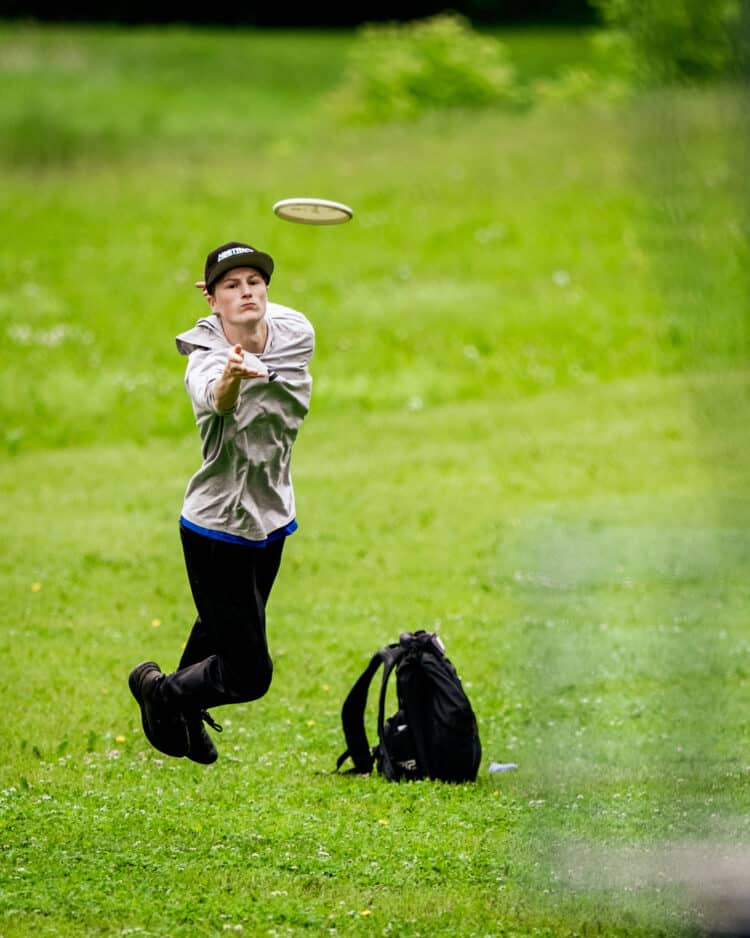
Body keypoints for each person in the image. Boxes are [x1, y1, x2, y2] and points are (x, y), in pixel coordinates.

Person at [129, 241, 315, 764]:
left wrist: (241, 322)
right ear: (210, 300)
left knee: (218, 631)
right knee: (249, 672)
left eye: (253, 282)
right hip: (218, 527)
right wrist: (234, 376)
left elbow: (266, 326)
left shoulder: (295, 331)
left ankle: (180, 708)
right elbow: (216, 396)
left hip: (272, 516)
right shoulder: (206, 363)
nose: (246, 292)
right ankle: (158, 694)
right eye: (230, 286)